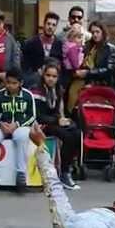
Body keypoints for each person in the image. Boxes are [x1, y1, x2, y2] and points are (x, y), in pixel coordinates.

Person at [0, 69, 36, 194]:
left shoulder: (28, 96)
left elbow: (32, 116)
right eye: (8, 82)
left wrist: (17, 124)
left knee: (22, 137)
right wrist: (0, 124)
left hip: (20, 126)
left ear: (20, 83)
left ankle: (21, 175)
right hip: (2, 126)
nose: (10, 86)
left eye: (14, 83)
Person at [32, 61, 80, 190]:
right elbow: (38, 115)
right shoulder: (37, 89)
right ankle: (64, 173)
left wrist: (63, 120)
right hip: (40, 126)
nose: (51, 79)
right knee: (67, 136)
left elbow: (58, 111)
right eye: (48, 75)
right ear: (43, 75)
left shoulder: (58, 89)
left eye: (54, 76)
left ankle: (68, 168)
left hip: (53, 122)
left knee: (76, 131)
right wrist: (57, 121)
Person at [65, 21, 115, 115]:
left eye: (97, 32)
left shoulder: (110, 48)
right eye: (92, 32)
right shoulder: (86, 46)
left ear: (103, 32)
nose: (95, 35)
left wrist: (88, 73)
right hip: (82, 83)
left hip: (101, 87)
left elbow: (110, 70)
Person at [22, 12, 63, 89]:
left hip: (54, 86)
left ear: (56, 27)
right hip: (34, 85)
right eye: (48, 24)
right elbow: (25, 67)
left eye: (53, 25)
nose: (50, 27)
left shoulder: (59, 44)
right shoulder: (31, 43)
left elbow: (62, 67)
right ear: (44, 24)